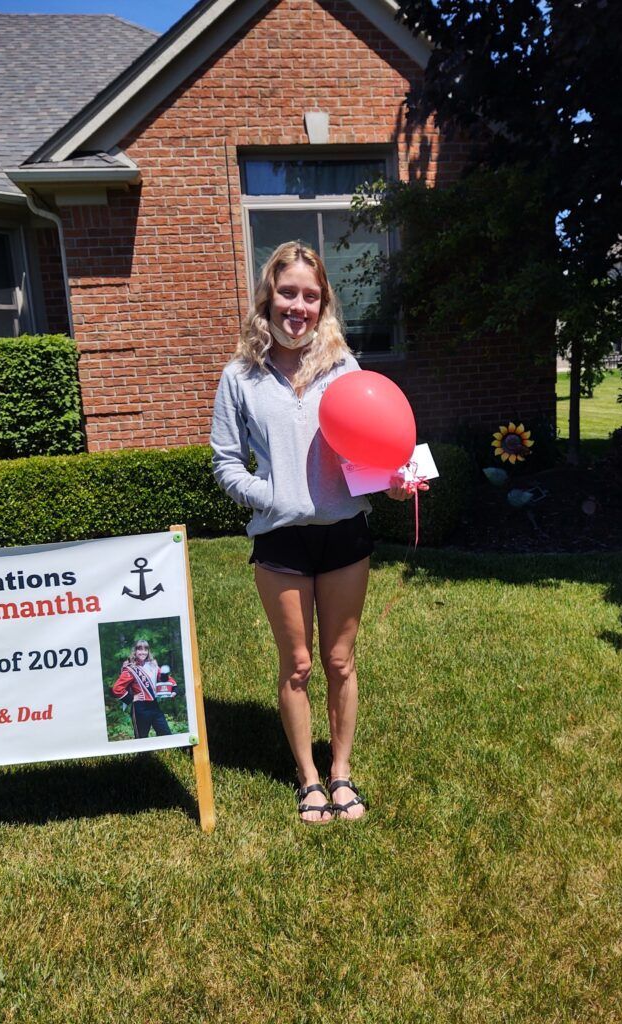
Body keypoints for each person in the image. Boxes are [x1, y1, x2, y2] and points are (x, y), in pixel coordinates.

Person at [211, 241, 410, 824]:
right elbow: (225, 461)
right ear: (268, 297)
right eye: (288, 292)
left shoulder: (344, 368)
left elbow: (367, 448)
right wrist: (269, 496)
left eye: (311, 295)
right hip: (281, 540)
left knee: (340, 661)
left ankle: (342, 774)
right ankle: (308, 779)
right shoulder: (240, 376)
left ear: (324, 304)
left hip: (345, 533)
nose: (298, 305)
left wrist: (391, 483)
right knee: (296, 666)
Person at [112, 639, 176, 739]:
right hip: (140, 708)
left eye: (145, 649)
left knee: (166, 735)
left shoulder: (152, 665)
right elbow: (117, 688)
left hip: (155, 706)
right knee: (141, 739)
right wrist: (132, 698)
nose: (143, 652)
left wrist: (173, 690)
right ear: (135, 651)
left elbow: (164, 679)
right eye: (140, 649)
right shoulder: (130, 668)